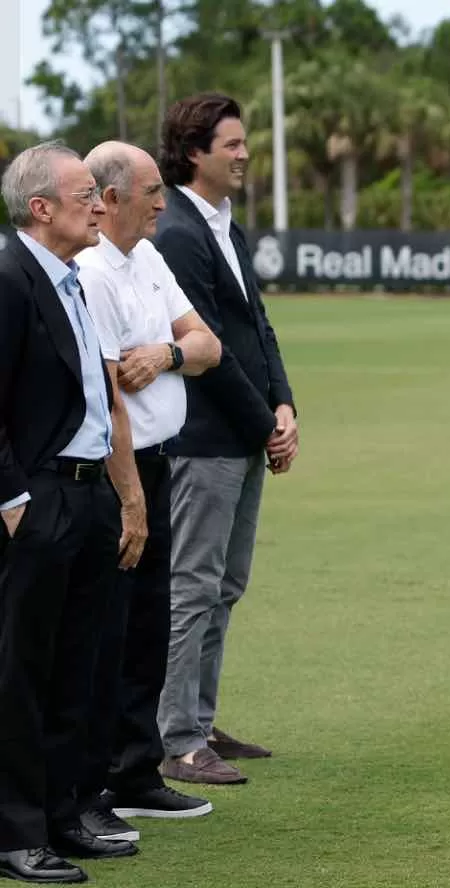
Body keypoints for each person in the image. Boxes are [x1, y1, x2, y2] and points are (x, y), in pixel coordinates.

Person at [0, 141, 147, 883]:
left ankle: (62, 815)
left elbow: (95, 394)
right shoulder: (9, 280)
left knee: (73, 670)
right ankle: (15, 833)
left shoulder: (69, 280)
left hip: (87, 495)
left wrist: (118, 494)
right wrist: (13, 501)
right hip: (40, 500)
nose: (98, 205)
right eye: (85, 194)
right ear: (41, 208)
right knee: (21, 674)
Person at [75, 141, 223, 842]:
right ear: (110, 199)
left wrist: (167, 353)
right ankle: (93, 782)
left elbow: (206, 346)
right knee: (104, 633)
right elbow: (109, 398)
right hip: (119, 474)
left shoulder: (149, 258)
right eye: (152, 191)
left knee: (146, 629)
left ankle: (136, 771)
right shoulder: (93, 272)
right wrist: (129, 498)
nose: (164, 203)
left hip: (160, 463)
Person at [152, 94, 298, 786]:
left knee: (225, 584)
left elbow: (257, 326)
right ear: (194, 153)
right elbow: (206, 349)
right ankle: (177, 740)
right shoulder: (179, 232)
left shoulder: (223, 223)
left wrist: (285, 402)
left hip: (242, 435)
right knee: (193, 588)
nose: (244, 154)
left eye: (243, 142)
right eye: (231, 144)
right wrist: (266, 424)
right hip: (204, 439)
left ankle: (200, 723)